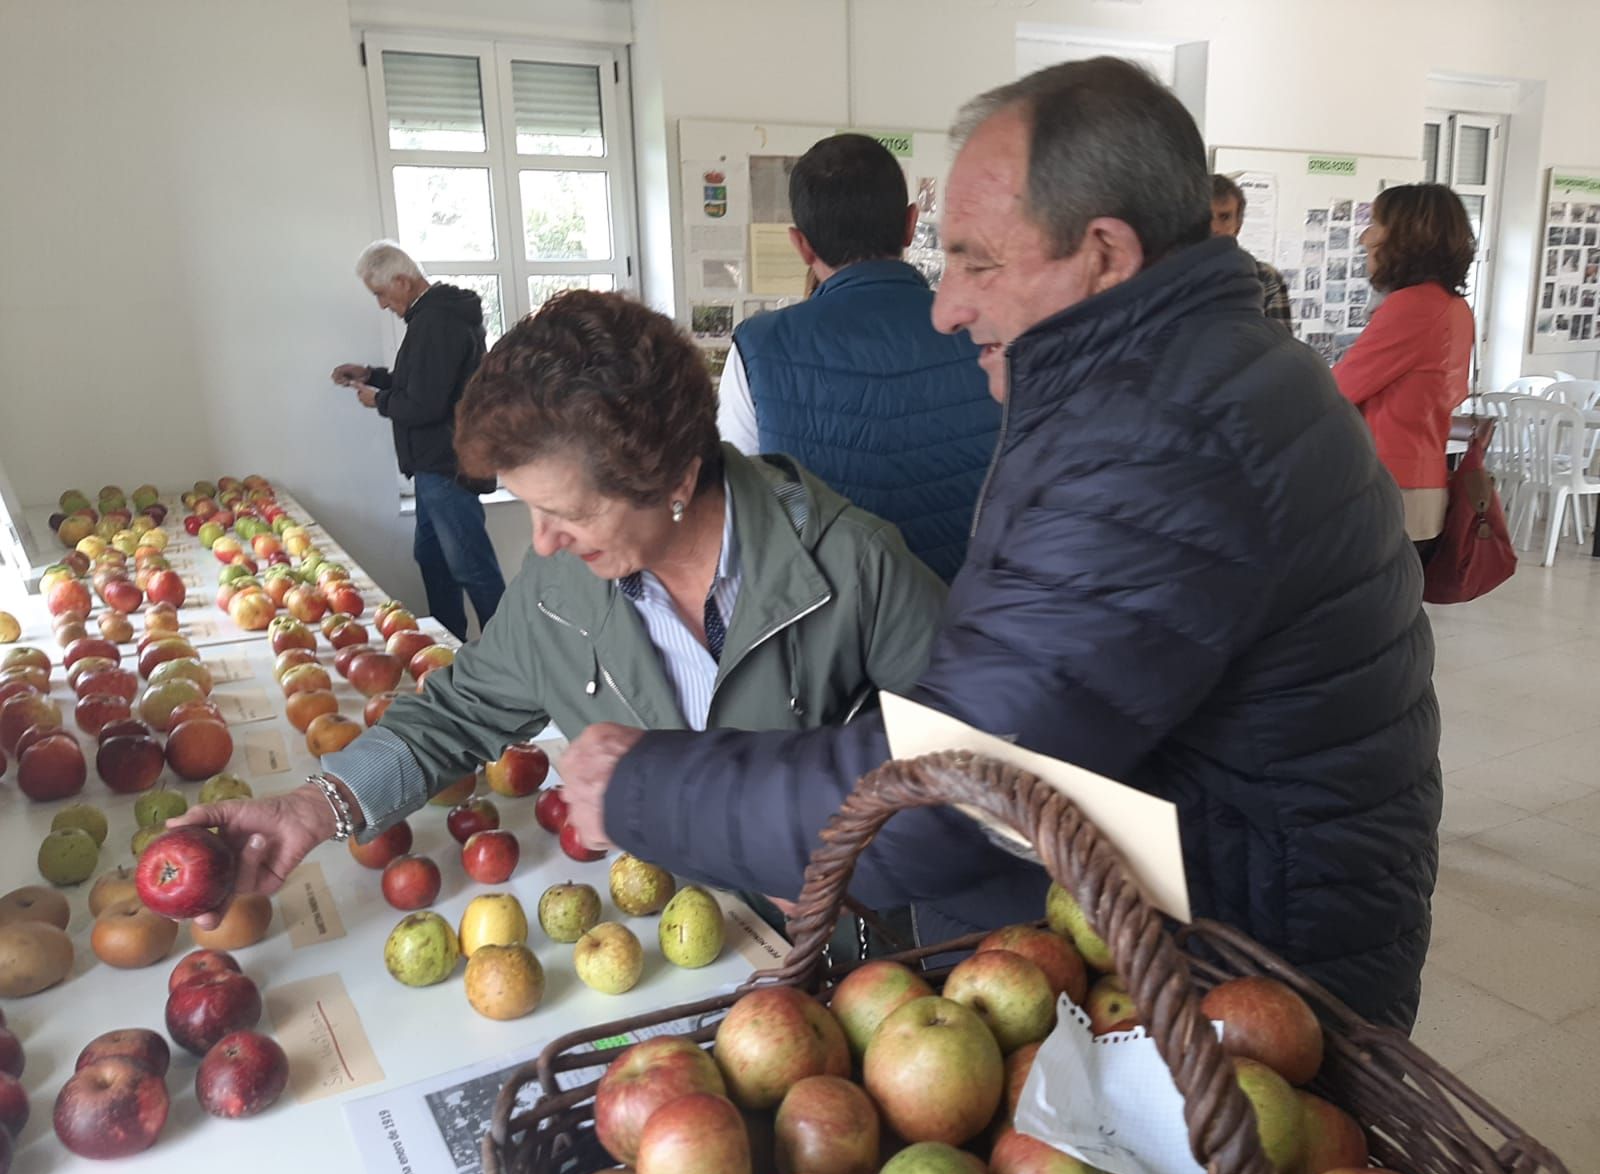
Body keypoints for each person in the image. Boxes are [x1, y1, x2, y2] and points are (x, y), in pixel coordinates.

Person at [560, 58, 1442, 1030]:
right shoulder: (1180, 375)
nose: (947, 306)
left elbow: (962, 782)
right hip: (1198, 908)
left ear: (1103, 253)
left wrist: (648, 786)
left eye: (979, 261)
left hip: (1239, 973)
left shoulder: (1161, 433)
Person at [175, 290, 946, 925]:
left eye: (566, 515)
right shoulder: (563, 584)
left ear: (674, 476)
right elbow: (458, 712)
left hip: (836, 950)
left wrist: (834, 867)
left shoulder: (853, 566)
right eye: (529, 510)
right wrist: (313, 811)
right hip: (676, 941)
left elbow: (972, 777)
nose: (541, 545)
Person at [717, 134, 999, 582]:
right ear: (911, 224)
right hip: (962, 617)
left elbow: (739, 511)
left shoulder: (758, 347)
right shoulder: (984, 332)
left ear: (801, 245)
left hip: (826, 629)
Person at [331, 241, 505, 641]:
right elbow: (422, 386)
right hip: (434, 467)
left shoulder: (436, 323)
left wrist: (379, 400)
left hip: (448, 466)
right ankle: (450, 649)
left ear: (402, 281)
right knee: (434, 559)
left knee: (471, 567)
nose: (381, 304)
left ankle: (510, 659)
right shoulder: (433, 318)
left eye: (380, 293)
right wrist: (373, 375)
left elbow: (423, 404)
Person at [1332, 185, 1476, 562]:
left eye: (1376, 224)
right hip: (1419, 483)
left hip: (1393, 486)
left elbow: (1337, 390)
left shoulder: (1413, 306)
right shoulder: (1450, 304)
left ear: (1408, 236)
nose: (1365, 238)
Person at [1210, 174, 1294, 331]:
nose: (1215, 227)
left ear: (1238, 225)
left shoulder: (1264, 277)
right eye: (1206, 217)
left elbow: (1281, 349)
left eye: (1225, 217)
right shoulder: (1170, 276)